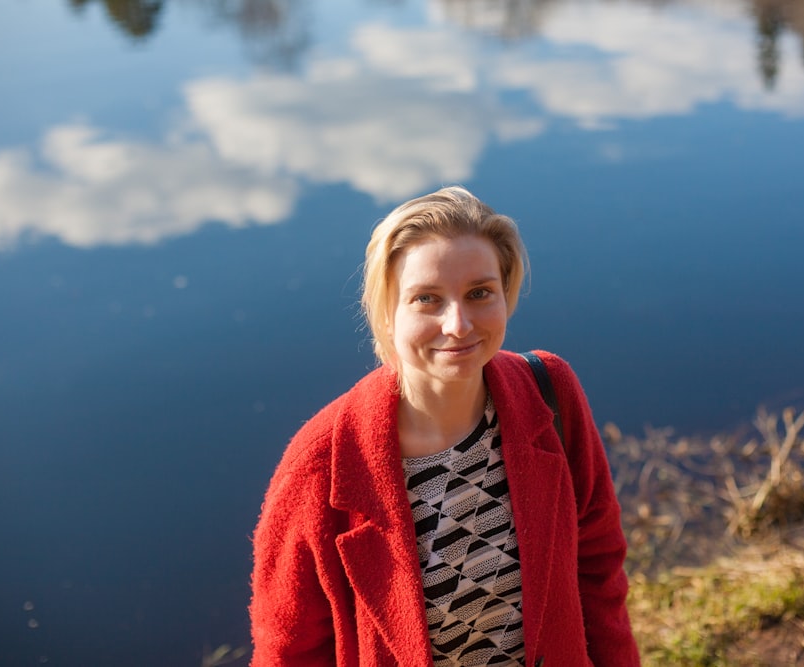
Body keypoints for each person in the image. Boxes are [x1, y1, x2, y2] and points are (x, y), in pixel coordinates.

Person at [249, 186, 640, 666]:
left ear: (507, 294)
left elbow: (597, 565)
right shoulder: (319, 463)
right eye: (426, 299)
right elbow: (288, 650)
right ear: (387, 314)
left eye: (479, 293)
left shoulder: (549, 391)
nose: (458, 324)